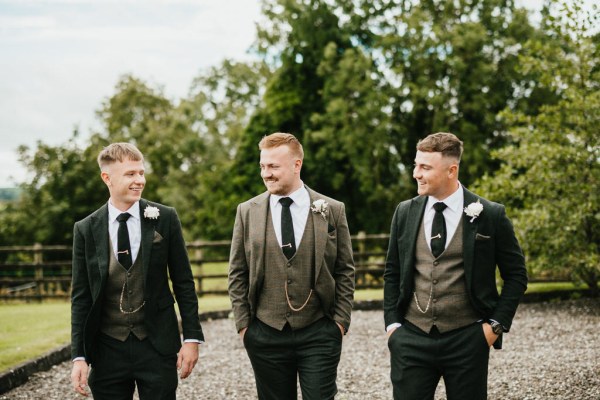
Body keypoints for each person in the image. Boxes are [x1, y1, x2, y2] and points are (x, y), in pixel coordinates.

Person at [383, 132, 528, 400]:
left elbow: (517, 275)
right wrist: (393, 327)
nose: (416, 173)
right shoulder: (405, 212)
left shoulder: (490, 214)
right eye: (416, 165)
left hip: (468, 340)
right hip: (412, 338)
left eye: (425, 167)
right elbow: (392, 271)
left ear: (452, 170)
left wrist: (494, 327)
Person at [70, 143, 204, 399]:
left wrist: (191, 338)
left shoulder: (165, 217)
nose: (139, 180)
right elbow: (81, 297)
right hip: (107, 347)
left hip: (157, 345)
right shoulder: (86, 229)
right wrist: (79, 356)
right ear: (106, 178)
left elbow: (184, 281)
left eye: (141, 173)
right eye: (130, 174)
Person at [228, 132, 355, 400]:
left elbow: (344, 269)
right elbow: (237, 272)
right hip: (265, 332)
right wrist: (245, 327)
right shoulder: (247, 211)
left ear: (296, 165)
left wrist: (339, 323)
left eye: (273, 166)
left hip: (319, 331)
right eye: (262, 166)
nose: (266, 174)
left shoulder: (332, 209)